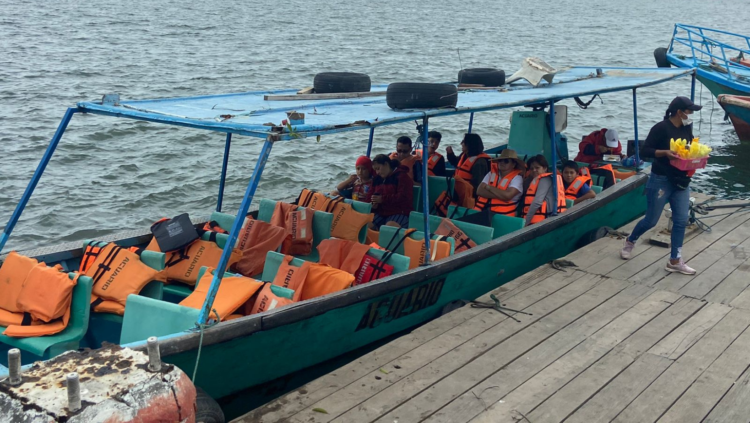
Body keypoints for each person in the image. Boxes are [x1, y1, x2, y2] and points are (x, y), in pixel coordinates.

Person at [620, 96, 702, 275]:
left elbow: (689, 148)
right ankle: (630, 240)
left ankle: (675, 260)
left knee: (680, 220)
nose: (691, 114)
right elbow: (645, 151)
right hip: (661, 180)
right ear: (679, 112)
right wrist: (665, 152)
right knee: (651, 220)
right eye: (689, 111)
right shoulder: (661, 128)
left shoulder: (687, 129)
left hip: (681, 180)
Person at [474, 149, 525, 216]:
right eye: (500, 160)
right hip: (484, 211)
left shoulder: (517, 178)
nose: (502, 162)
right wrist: (501, 195)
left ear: (513, 165)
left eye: (506, 161)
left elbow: (507, 196)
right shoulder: (491, 173)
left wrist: (489, 187)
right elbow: (479, 191)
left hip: (503, 216)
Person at [369, 154, 414, 229]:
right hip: (381, 212)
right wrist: (372, 204)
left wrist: (383, 199)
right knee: (366, 225)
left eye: (378, 168)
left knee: (388, 227)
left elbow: (403, 197)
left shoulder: (402, 177)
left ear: (386, 164)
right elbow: (369, 196)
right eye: (375, 170)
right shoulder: (376, 179)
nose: (377, 172)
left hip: (400, 212)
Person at [522, 154, 566, 225]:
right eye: (532, 168)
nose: (534, 170)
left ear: (545, 168)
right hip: (538, 216)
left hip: (546, 218)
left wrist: (526, 221)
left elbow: (537, 202)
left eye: (537, 168)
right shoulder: (531, 180)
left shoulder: (545, 179)